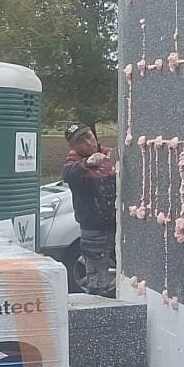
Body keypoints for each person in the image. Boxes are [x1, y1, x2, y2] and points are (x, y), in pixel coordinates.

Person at [61, 124, 118, 296]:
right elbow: (67, 173)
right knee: (96, 282)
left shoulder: (110, 155)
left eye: (89, 136)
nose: (88, 142)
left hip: (119, 227)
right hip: (94, 232)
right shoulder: (74, 165)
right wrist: (87, 163)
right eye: (81, 141)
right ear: (73, 147)